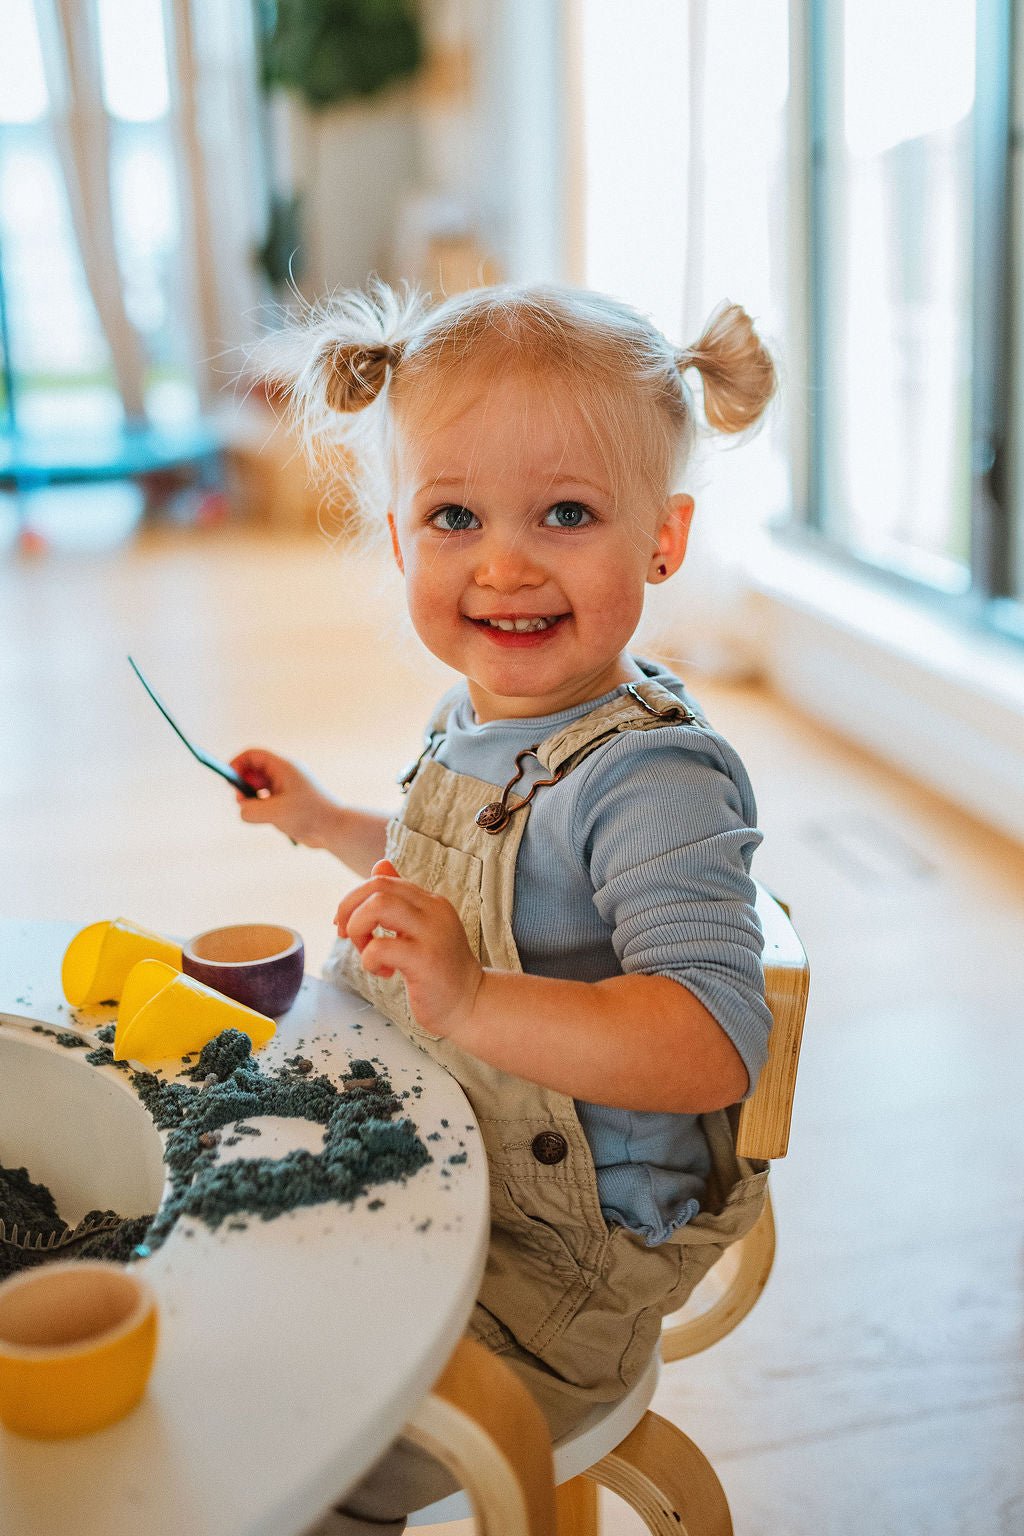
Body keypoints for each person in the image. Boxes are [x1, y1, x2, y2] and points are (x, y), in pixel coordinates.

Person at [231, 281, 777, 1534]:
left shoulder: (652, 780)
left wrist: (470, 996)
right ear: (397, 535)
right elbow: (465, 868)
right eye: (455, 516)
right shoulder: (473, 716)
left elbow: (706, 1041)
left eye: (568, 513)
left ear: (664, 539)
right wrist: (329, 825)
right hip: (449, 1153)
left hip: (555, 1262)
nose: (506, 562)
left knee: (304, 1450)